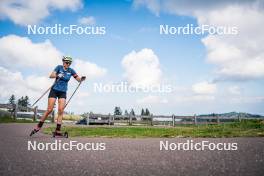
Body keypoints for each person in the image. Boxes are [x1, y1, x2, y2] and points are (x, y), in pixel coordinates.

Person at [30, 56, 86, 136]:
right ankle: (38, 127)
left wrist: (81, 79)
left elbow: (78, 79)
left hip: (63, 92)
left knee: (61, 110)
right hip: (54, 90)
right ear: (63, 62)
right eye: (66, 62)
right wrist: (57, 75)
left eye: (69, 63)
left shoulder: (71, 70)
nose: (68, 64)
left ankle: (58, 130)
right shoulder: (59, 67)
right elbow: (51, 75)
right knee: (49, 110)